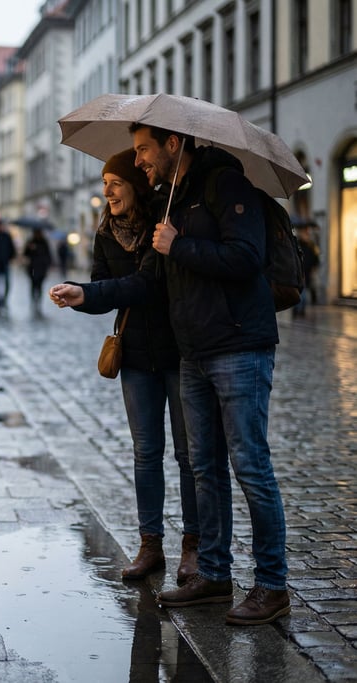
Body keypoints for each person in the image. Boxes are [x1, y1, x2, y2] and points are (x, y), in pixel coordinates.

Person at [132, 122, 289, 625]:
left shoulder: (228, 185)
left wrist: (178, 245)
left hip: (239, 346)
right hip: (193, 353)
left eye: (143, 150)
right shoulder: (173, 197)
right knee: (205, 468)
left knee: (251, 466)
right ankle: (214, 575)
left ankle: (272, 585)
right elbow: (154, 278)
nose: (139, 162)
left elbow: (247, 258)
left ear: (173, 144)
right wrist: (89, 294)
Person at [49, 149, 199, 586]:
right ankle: (150, 544)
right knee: (145, 453)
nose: (107, 191)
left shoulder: (164, 225)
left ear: (136, 183)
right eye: (103, 184)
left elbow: (147, 283)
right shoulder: (106, 232)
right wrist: (77, 296)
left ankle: (192, 547)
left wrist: (89, 292)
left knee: (188, 456)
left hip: (177, 349)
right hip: (134, 355)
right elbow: (103, 289)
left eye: (115, 182)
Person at [292, 222, 320, 317]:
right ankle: (297, 310)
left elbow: (315, 259)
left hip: (307, 273)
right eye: (304, 232)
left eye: (307, 232)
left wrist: (314, 269)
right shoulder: (296, 244)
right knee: (301, 293)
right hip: (297, 273)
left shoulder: (311, 246)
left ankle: (300, 310)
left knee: (303, 293)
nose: (306, 234)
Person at [23, 228, 52, 316]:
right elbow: (25, 253)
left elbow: (48, 255)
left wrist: (48, 266)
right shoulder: (30, 241)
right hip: (32, 268)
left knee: (39, 286)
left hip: (42, 268)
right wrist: (29, 248)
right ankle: (33, 301)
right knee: (33, 285)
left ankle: (38, 301)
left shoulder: (44, 242)